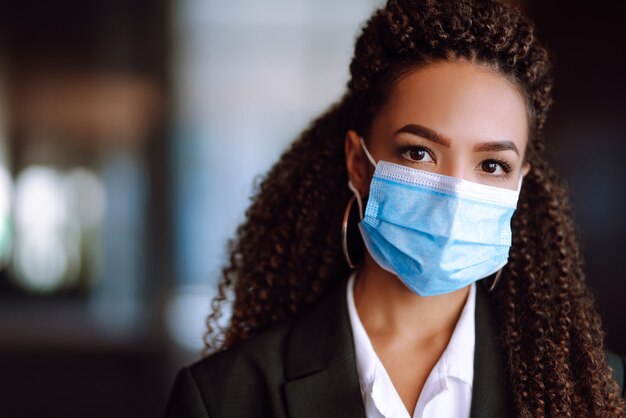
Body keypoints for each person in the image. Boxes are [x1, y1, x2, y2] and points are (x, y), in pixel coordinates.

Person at [164, 0, 626, 416]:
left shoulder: (593, 391)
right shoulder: (225, 398)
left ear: (520, 183)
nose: (455, 193)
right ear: (357, 163)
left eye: (491, 164)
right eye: (418, 152)